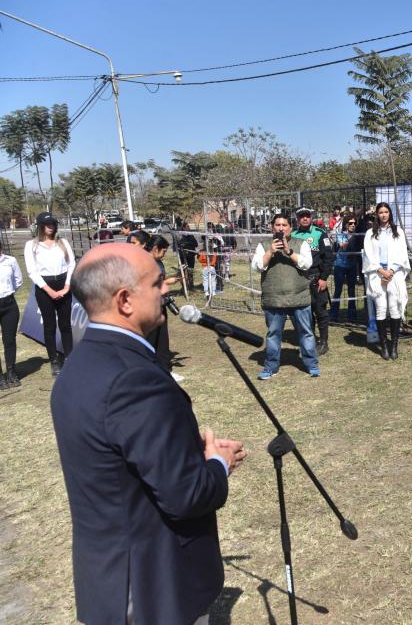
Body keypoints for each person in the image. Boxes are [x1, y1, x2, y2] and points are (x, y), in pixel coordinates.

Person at [50, 242, 247, 625]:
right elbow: (184, 495)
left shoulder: (77, 366)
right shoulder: (134, 379)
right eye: (157, 282)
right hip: (151, 589)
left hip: (108, 579)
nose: (167, 289)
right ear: (125, 300)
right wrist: (217, 465)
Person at [250, 213, 319, 378]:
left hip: (299, 297)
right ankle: (271, 366)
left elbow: (307, 264)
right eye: (278, 225)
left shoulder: (300, 244)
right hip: (274, 299)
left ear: (290, 227)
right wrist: (270, 252)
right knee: (273, 334)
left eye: (284, 225)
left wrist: (288, 251)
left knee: (306, 333)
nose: (281, 228)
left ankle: (311, 364)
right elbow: (257, 266)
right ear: (272, 227)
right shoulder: (264, 245)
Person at [24, 212, 76, 376]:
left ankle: (69, 358)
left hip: (63, 284)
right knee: (49, 326)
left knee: (66, 324)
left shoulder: (63, 243)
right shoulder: (31, 245)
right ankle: (54, 360)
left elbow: (71, 265)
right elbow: (32, 271)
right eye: (47, 224)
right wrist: (49, 291)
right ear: (40, 226)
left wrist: (67, 286)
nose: (51, 227)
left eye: (53, 224)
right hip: (44, 287)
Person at [362, 202, 411, 360]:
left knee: (394, 308)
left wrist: (391, 271)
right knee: (381, 309)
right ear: (377, 214)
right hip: (378, 274)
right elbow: (368, 255)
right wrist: (381, 271)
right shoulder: (370, 233)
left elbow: (402, 253)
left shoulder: (398, 232)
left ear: (390, 213)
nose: (383, 215)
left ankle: (394, 345)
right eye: (381, 212)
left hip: (394, 274)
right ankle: (383, 345)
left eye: (386, 212)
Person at [291, 207, 336, 356]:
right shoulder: (292, 235)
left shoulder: (320, 233)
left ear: (311, 217)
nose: (304, 218)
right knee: (304, 312)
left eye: (307, 216)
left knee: (320, 311)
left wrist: (323, 278)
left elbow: (328, 258)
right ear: (297, 218)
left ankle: (323, 342)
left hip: (317, 278)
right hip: (299, 279)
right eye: (301, 216)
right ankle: (309, 340)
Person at [144, 235, 181, 377]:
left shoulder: (157, 262)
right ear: (155, 249)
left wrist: (167, 281)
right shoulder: (144, 263)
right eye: (163, 251)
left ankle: (164, 368)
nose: (164, 254)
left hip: (161, 303)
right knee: (151, 338)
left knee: (162, 338)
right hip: (149, 305)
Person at [0, 238, 23, 389]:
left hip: (8, 304)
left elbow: (18, 280)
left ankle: (11, 372)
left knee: (9, 340)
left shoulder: (11, 261)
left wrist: (8, 293)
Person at [331, 214, 360, 323]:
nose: (353, 225)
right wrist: (352, 237)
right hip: (340, 265)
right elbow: (344, 245)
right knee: (338, 290)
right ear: (346, 225)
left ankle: (352, 316)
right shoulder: (340, 234)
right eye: (350, 223)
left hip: (352, 266)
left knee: (351, 291)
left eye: (354, 223)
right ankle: (334, 315)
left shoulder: (357, 235)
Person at [177, 222, 199, 292]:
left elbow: (196, 244)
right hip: (183, 256)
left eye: (189, 226)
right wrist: (185, 245)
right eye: (187, 226)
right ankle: (184, 287)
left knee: (190, 271)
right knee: (182, 271)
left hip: (191, 256)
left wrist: (188, 244)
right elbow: (179, 245)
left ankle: (191, 286)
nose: (188, 228)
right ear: (183, 228)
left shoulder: (191, 235)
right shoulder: (180, 236)